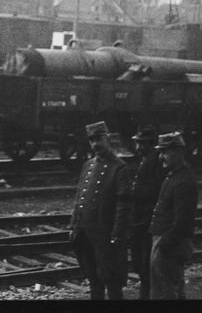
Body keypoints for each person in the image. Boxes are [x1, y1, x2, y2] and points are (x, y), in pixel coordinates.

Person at [67, 121, 131, 300]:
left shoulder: (119, 168)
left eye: (99, 139)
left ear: (107, 139)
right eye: (92, 140)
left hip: (106, 235)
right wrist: (73, 225)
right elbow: (79, 198)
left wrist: (117, 234)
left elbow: (123, 206)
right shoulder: (88, 165)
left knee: (112, 282)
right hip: (86, 233)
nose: (96, 144)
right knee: (94, 281)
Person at [149, 131, 198, 300]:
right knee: (164, 288)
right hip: (165, 242)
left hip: (169, 245)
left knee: (167, 292)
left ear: (178, 153)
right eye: (160, 152)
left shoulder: (184, 181)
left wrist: (164, 246)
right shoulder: (174, 177)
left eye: (165, 152)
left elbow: (183, 222)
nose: (161, 157)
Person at [128, 127, 166, 300]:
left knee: (146, 268)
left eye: (141, 144)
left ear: (151, 145)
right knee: (143, 268)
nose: (138, 147)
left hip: (146, 222)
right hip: (141, 221)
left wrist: (134, 192)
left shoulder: (155, 162)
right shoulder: (147, 160)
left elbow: (153, 192)